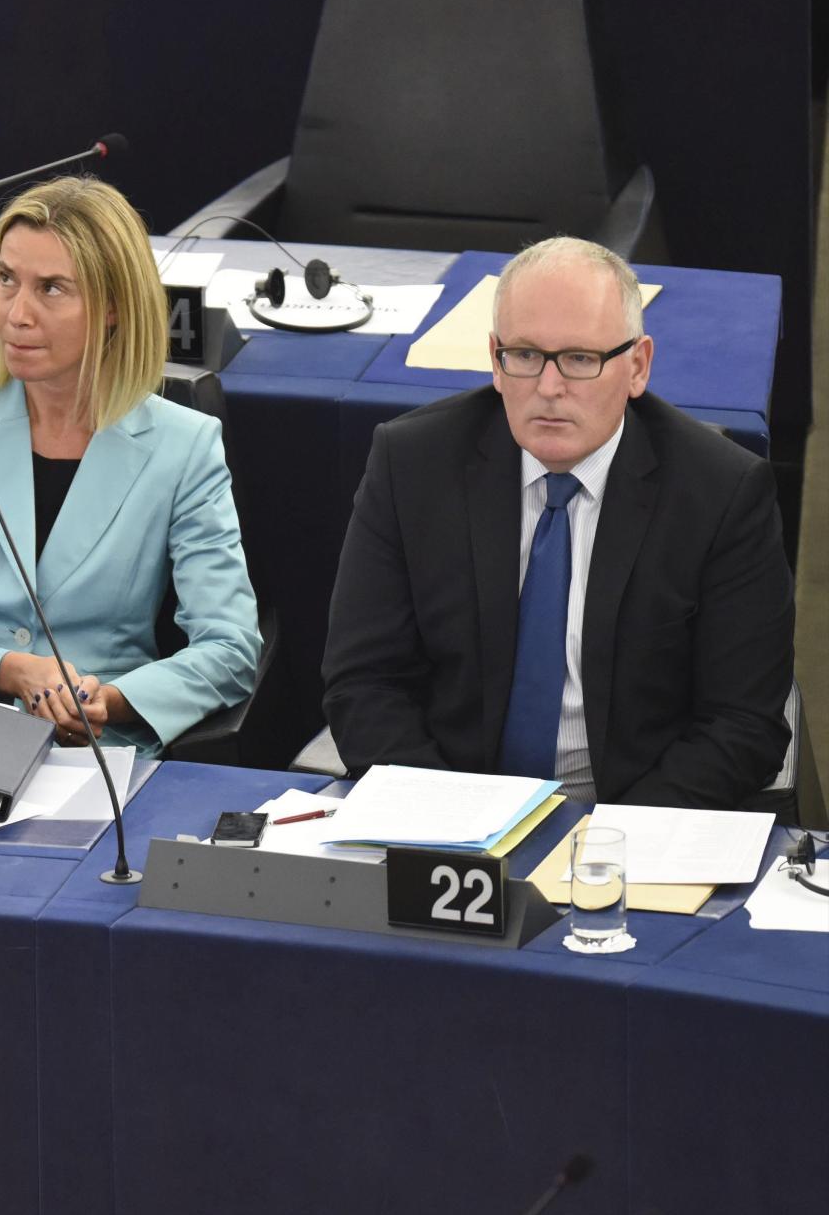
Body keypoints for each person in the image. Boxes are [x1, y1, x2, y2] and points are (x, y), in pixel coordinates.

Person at [322, 236, 794, 806]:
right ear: (495, 360)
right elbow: (365, 683)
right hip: (450, 811)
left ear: (637, 366)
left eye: (580, 359)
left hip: (631, 817)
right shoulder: (411, 464)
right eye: (525, 356)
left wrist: (610, 840)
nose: (548, 388)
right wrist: (449, 821)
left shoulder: (721, 493)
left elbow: (742, 724)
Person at [0, 176, 262, 756]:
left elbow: (229, 648)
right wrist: (14, 670)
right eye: (6, 280)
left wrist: (110, 701)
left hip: (91, 753)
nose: (16, 314)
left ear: (114, 306)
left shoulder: (184, 446)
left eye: (51, 288)